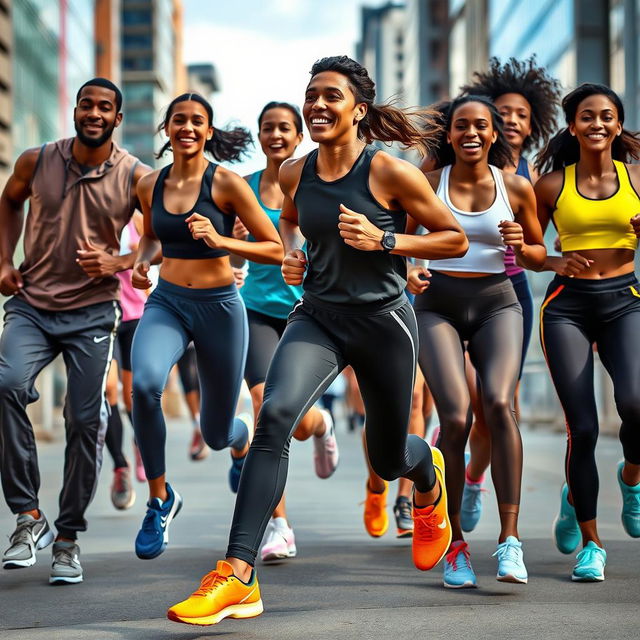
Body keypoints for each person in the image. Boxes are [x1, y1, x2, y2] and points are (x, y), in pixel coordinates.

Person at [167, 54, 468, 626]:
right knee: (274, 417)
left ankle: (426, 477)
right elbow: (288, 221)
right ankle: (237, 575)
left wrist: (386, 244)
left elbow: (451, 239)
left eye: (332, 96)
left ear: (359, 110)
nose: (318, 105)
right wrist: (293, 253)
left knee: (387, 454)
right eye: (312, 96)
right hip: (320, 317)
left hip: (383, 322)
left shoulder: (389, 172)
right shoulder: (293, 174)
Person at [0, 78, 150, 584]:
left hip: (92, 312)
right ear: (76, 110)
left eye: (104, 107)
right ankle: (28, 517)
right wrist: (4, 259)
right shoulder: (35, 160)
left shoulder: (135, 175)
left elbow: (159, 235)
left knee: (86, 421)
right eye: (86, 104)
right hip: (32, 305)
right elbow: (10, 200)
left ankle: (66, 539)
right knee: (6, 384)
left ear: (117, 118)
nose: (93, 112)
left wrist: (124, 260)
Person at [129, 92, 283, 561]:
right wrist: (141, 263)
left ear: (209, 131)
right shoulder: (149, 185)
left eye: (198, 121)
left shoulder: (228, 185)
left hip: (220, 308)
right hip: (169, 303)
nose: (188, 128)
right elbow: (153, 238)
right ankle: (160, 498)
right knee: (146, 383)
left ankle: (239, 442)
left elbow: (274, 247)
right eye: (179, 120)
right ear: (167, 130)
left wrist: (218, 239)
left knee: (215, 433)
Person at [409, 95, 546, 588]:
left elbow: (535, 253)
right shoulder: (427, 183)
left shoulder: (515, 187)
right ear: (449, 136)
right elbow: (403, 242)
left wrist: (520, 243)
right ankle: (456, 547)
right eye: (461, 126)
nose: (471, 133)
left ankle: (510, 541)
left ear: (495, 135)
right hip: (438, 305)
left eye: (481, 126)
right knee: (454, 415)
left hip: (497, 302)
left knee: (499, 403)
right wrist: (411, 272)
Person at [535, 83, 640, 582]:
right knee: (584, 428)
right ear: (572, 125)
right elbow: (527, 250)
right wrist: (556, 257)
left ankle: (631, 476)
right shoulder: (552, 185)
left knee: (636, 403)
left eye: (606, 117)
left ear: (618, 125)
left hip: (626, 302)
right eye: (586, 117)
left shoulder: (638, 177)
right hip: (567, 307)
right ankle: (592, 544)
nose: (597, 124)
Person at [455, 57, 561, 532]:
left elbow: (545, 239)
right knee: (471, 404)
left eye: (521, 113)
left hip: (508, 289)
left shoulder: (533, 178)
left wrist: (553, 257)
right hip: (449, 289)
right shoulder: (457, 163)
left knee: (498, 407)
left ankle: (476, 476)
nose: (512, 119)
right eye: (504, 112)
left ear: (531, 123)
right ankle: (461, 473)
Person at [232, 101, 339, 563]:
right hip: (257, 311)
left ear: (299, 135)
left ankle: (323, 425)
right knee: (264, 409)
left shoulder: (313, 180)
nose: (275, 135)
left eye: (284, 128)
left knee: (295, 424)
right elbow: (228, 251)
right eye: (267, 128)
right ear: (259, 136)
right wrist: (237, 253)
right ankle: (280, 525)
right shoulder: (243, 188)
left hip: (308, 310)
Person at [104, 213, 146, 509]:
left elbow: (157, 251)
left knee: (133, 398)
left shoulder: (138, 219)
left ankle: (141, 443)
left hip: (135, 316)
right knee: (108, 391)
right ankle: (120, 468)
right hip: (102, 315)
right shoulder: (92, 214)